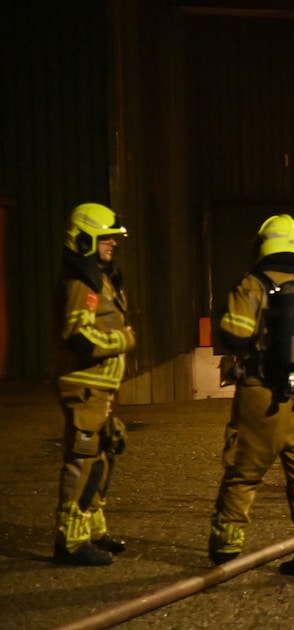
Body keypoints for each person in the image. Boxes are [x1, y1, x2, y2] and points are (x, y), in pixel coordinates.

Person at [208, 214, 294, 577]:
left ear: (263, 245)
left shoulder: (250, 287)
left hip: (260, 395)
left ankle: (226, 545)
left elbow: (234, 335)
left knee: (243, 473)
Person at [54, 203, 134, 566]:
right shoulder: (80, 283)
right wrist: (124, 340)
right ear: (85, 238)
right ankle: (70, 541)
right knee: (84, 461)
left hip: (100, 386)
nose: (112, 245)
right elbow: (79, 337)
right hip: (84, 385)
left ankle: (95, 531)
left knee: (102, 459)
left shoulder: (99, 278)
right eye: (106, 238)